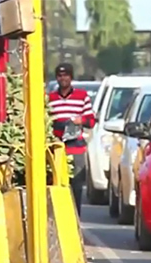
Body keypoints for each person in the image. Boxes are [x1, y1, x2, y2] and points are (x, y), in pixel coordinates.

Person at [46, 63, 96, 215]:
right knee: (56, 183)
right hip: (56, 147)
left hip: (76, 147)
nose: (63, 79)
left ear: (71, 77)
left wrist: (79, 121)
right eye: (60, 76)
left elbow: (91, 121)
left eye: (66, 75)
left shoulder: (82, 97)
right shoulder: (51, 99)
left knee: (76, 185)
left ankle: (75, 216)